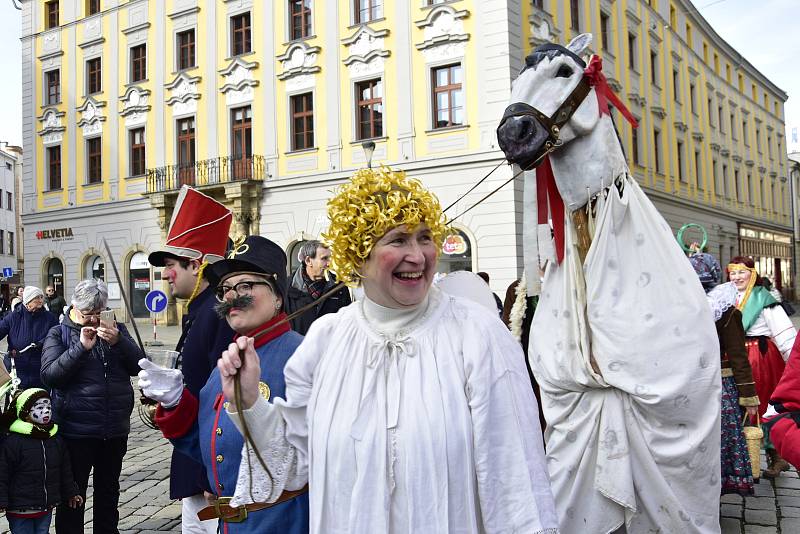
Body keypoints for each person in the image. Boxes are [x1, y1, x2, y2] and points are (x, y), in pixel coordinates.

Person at [218, 168, 558, 532]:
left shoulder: (477, 334)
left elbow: (514, 480)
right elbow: (292, 464)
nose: (418, 256)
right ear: (359, 253)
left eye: (425, 238)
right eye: (398, 240)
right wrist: (250, 401)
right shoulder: (327, 339)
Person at [139, 235, 309, 533]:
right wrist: (175, 402)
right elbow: (207, 444)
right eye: (226, 289)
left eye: (246, 286)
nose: (232, 296)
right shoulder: (227, 362)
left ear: (278, 296)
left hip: (284, 523)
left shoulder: (304, 357)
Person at [147, 185, 236, 534]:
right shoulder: (197, 313)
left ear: (196, 264)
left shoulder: (217, 315)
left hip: (208, 467)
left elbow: (221, 401)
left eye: (171, 265)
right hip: (193, 454)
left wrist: (210, 473)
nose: (167, 274)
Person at [40, 279, 144, 534]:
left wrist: (120, 341)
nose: (94, 320)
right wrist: (81, 348)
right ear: (74, 307)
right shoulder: (59, 333)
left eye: (99, 313)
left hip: (114, 428)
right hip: (76, 430)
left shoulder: (117, 330)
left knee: (109, 491)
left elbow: (139, 365)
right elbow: (50, 376)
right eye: (88, 315)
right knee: (73, 494)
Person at [692, 250, 759, 495]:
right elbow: (738, 358)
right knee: (721, 443)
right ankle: (714, 492)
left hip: (688, 386)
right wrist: (749, 397)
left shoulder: (681, 309)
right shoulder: (727, 311)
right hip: (719, 388)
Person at [728, 256, 797, 478]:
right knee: (735, 405)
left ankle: (776, 457)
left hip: (760, 356)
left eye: (742, 272)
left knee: (762, 403)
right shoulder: (726, 297)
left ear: (753, 274)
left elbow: (785, 335)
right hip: (735, 356)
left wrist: (792, 365)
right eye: (733, 272)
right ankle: (744, 456)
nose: (737, 277)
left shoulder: (763, 299)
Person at [0, 388, 83, 534]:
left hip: (45, 507)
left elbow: (64, 470)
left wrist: (71, 492)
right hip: (20, 508)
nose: (46, 411)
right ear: (25, 412)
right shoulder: (13, 442)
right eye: (39, 408)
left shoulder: (54, 438)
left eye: (48, 407)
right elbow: (3, 473)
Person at [286, 240, 351, 335]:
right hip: (299, 348)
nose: (329, 263)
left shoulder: (339, 287)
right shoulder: (287, 287)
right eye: (324, 258)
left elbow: (347, 323)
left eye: (330, 258)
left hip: (330, 348)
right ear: (308, 261)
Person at [0, 286, 58, 390]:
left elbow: (55, 336)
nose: (41, 300)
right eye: (37, 297)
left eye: (41, 297)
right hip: (17, 367)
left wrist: (40, 343)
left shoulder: (49, 318)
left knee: (39, 401)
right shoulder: (13, 316)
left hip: (39, 368)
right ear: (28, 301)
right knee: (15, 400)